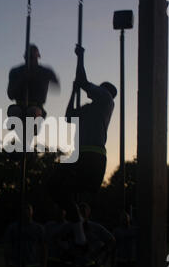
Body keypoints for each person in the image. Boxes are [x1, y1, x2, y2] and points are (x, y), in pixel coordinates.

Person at [48, 45, 117, 215]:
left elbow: (83, 81)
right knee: (55, 187)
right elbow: (69, 117)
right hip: (80, 155)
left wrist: (80, 56)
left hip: (93, 155)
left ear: (104, 91)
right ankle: (77, 223)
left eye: (99, 88)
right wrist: (73, 92)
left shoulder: (106, 100)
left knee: (69, 189)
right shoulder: (88, 109)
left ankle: (79, 222)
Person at [7, 44, 60, 125]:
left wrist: (41, 78)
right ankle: (20, 127)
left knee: (32, 112)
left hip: (36, 109)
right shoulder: (16, 72)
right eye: (29, 58)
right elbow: (10, 95)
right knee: (14, 112)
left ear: (37, 58)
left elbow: (56, 84)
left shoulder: (44, 71)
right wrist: (22, 79)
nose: (31, 61)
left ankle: (31, 127)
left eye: (33, 58)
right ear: (25, 58)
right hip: (19, 106)